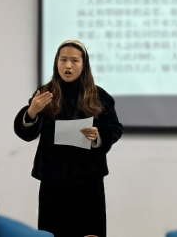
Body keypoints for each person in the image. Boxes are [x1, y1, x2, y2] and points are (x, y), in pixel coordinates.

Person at [14, 40, 123, 237]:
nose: (68, 66)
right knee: (53, 232)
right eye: (63, 60)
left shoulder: (99, 96)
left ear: (84, 64)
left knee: (90, 232)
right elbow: (26, 134)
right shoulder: (45, 94)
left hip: (88, 180)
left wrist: (98, 136)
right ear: (56, 62)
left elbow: (114, 128)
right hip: (53, 180)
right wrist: (32, 111)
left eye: (74, 60)